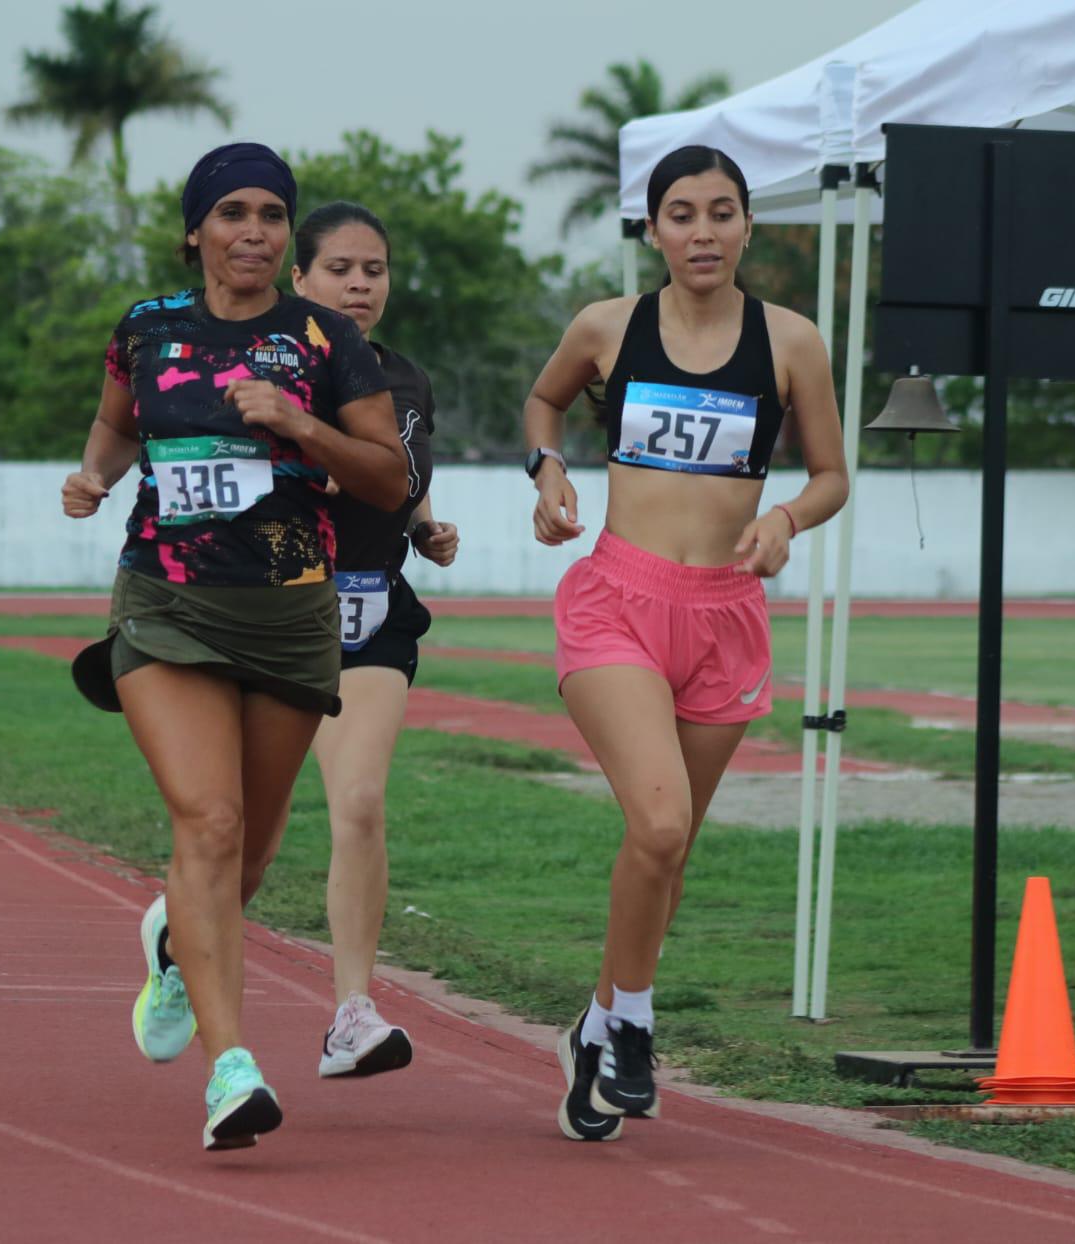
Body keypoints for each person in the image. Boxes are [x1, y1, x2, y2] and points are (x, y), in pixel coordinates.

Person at [60, 143, 407, 1151]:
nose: (252, 231)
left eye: (270, 215)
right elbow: (118, 428)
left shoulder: (323, 337)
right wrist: (92, 475)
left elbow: (387, 477)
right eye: (232, 214)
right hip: (166, 604)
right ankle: (231, 1067)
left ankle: (174, 947)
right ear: (196, 230)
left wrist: (300, 423)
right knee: (206, 822)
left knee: (248, 848)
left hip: (289, 612)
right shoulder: (147, 329)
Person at [522, 146, 850, 1141]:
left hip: (723, 616)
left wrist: (786, 520)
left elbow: (832, 474)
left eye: (719, 211)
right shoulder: (607, 326)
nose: (700, 230)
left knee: (671, 851)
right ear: (653, 230)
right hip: (617, 600)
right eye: (680, 213)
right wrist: (548, 471)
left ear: (748, 225)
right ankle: (632, 1024)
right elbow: (544, 402)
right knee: (658, 824)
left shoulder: (791, 342)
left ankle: (595, 1022)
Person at [289, 201, 459, 1077]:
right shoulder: (267, 372)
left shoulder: (408, 380)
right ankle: (178, 934)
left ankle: (351, 1012)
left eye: (375, 270)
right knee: (232, 824)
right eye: (341, 270)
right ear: (300, 280)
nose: (360, 284)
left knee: (358, 802)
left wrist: (425, 524)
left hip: (372, 612)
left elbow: (406, 474)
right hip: (273, 615)